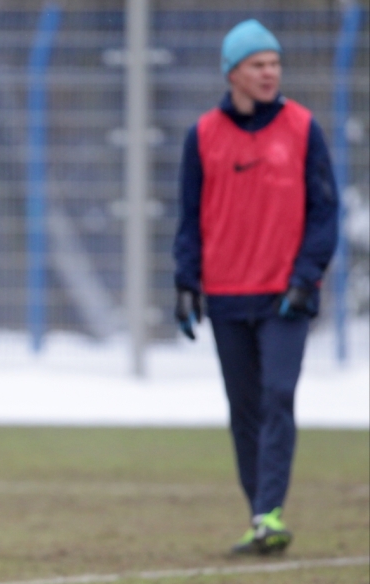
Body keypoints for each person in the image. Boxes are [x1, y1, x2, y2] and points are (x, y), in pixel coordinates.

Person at [172, 20, 338, 555]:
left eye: (275, 63)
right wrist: (185, 281)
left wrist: (306, 276)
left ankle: (269, 511)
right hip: (225, 295)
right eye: (258, 65)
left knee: (278, 394)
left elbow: (325, 212)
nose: (270, 73)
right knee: (243, 406)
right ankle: (259, 515)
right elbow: (189, 215)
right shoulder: (203, 135)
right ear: (233, 73)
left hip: (286, 295)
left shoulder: (303, 127)